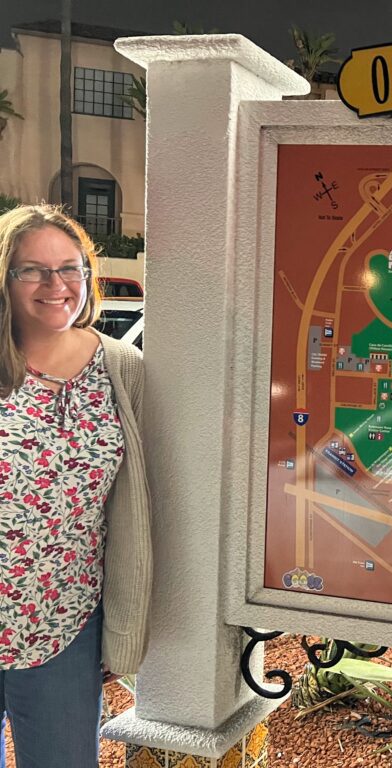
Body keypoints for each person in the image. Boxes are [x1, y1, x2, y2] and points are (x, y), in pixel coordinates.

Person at [0, 205, 152, 767]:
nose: (55, 285)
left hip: (63, 625)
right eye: (32, 270)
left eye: (70, 269)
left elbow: (131, 506)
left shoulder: (120, 367)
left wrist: (122, 623)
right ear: (5, 279)